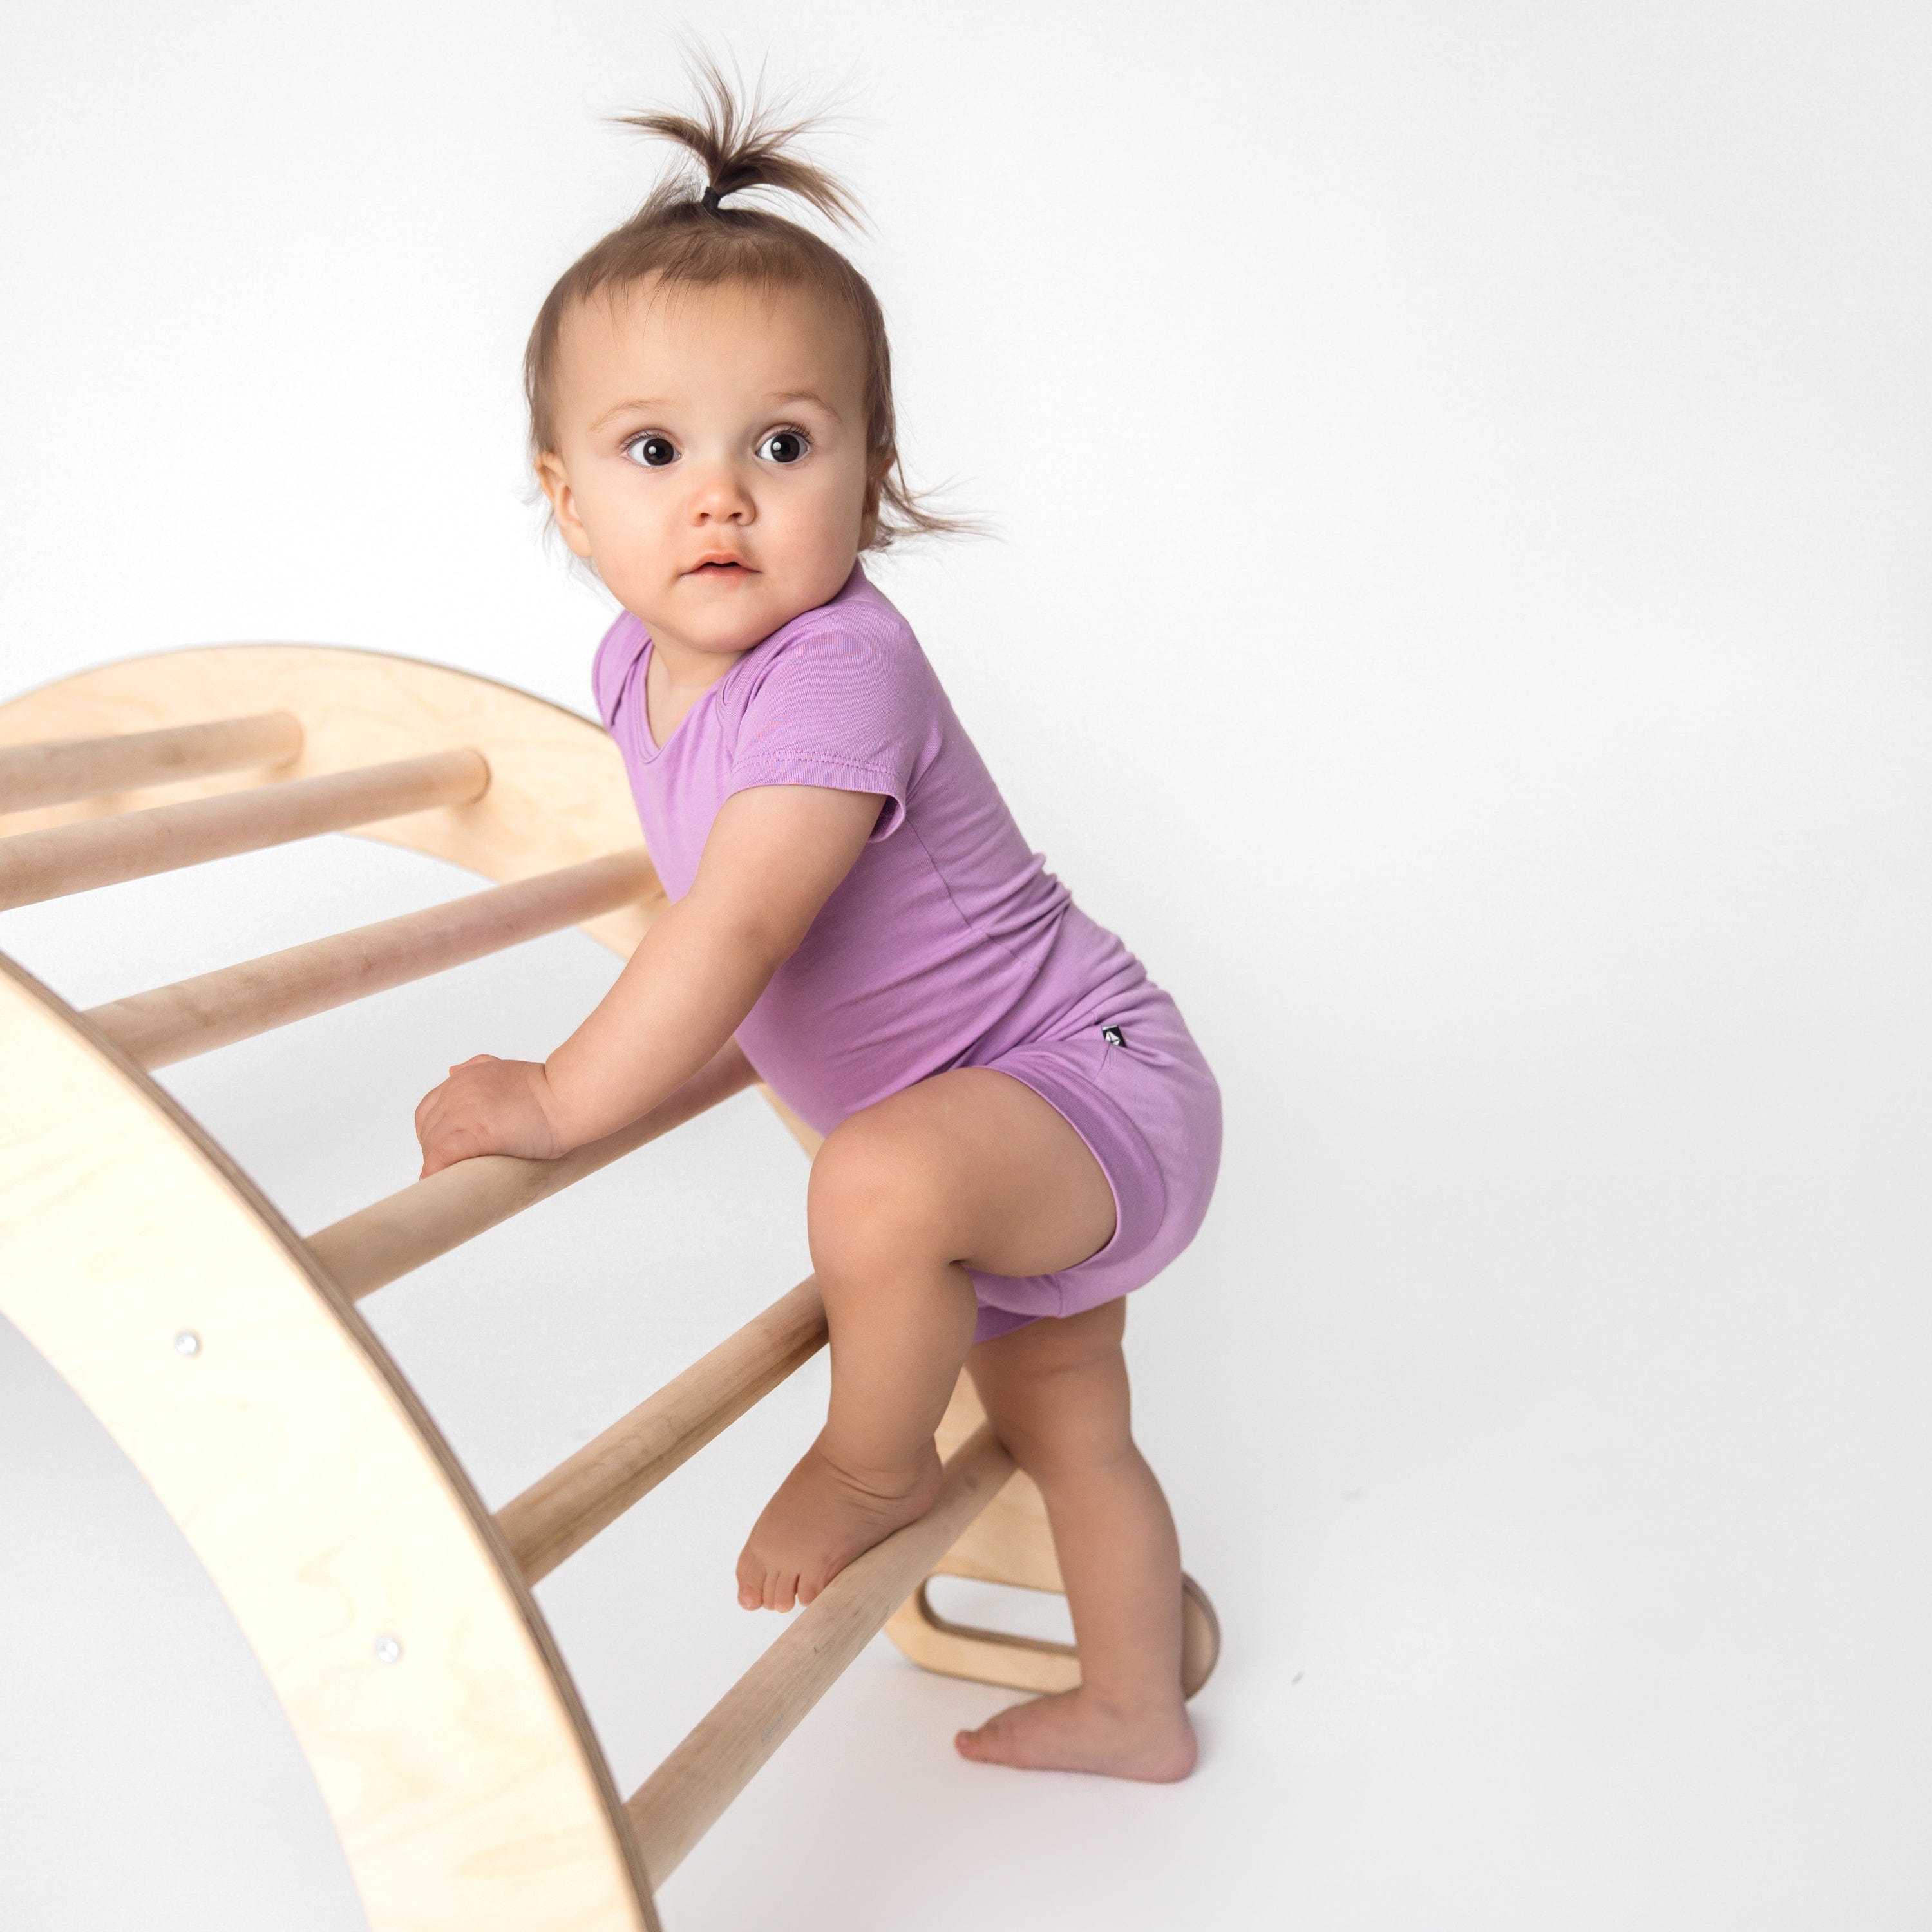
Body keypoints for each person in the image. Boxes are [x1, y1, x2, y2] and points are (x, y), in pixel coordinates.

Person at [412, 66, 1220, 1782]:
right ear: (567, 500)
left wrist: (560, 1098)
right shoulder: (634, 665)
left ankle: (872, 1463)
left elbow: (735, 933)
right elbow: (695, 888)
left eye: (782, 445)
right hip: (989, 1129)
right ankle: (1141, 1702)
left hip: (1085, 1081)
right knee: (1072, 1424)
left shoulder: (841, 671)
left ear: (868, 472)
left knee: (868, 1184)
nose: (724, 496)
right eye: (657, 451)